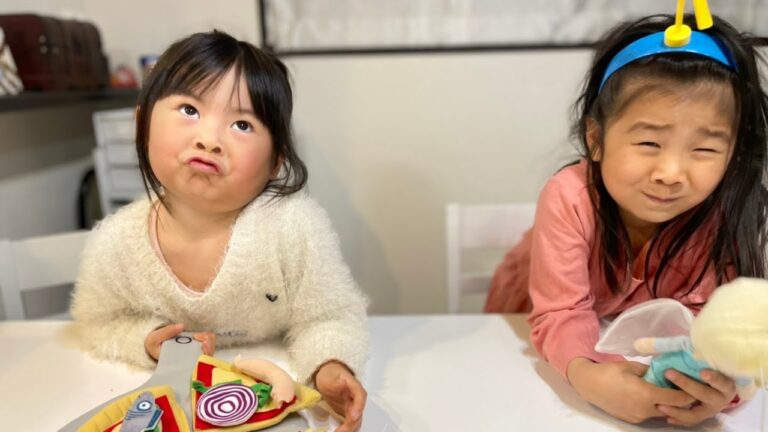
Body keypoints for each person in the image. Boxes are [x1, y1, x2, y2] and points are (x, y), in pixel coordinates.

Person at [71, 30, 368, 432]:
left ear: (275, 159)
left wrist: (329, 364)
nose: (209, 140)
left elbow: (329, 316)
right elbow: (97, 322)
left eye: (242, 124)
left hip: (273, 406)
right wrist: (146, 339)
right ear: (141, 122)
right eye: (190, 110)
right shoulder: (117, 242)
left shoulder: (295, 227)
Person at [485, 13, 768, 427]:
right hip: (541, 331)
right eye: (649, 142)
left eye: (704, 150)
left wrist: (718, 388)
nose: (671, 172)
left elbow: (717, 327)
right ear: (596, 140)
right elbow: (561, 311)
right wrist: (587, 375)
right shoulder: (570, 196)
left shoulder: (723, 216)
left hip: (637, 341)